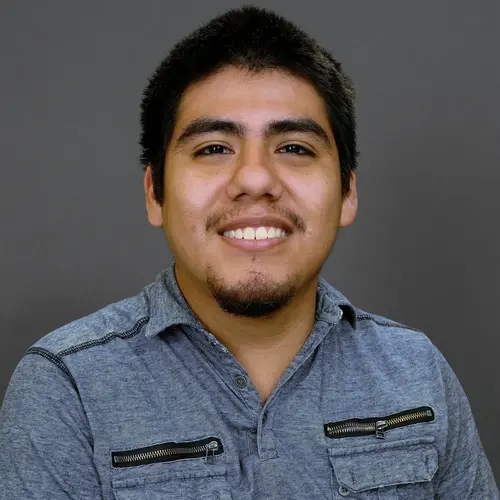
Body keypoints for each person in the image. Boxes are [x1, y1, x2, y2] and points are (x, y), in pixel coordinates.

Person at [0, 5, 498, 499]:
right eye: (214, 148)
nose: (255, 179)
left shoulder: (416, 371)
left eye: (295, 148)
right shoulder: (68, 386)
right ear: (155, 193)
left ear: (348, 193)